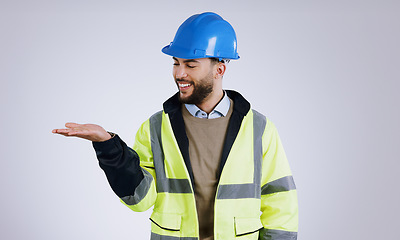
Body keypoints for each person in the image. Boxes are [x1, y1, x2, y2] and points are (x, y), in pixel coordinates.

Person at [53, 12, 298, 240]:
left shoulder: (259, 128)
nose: (179, 73)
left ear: (219, 69)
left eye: (191, 65)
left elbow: (280, 202)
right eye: (176, 63)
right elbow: (139, 198)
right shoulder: (156, 127)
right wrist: (108, 147)